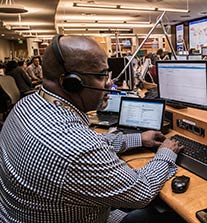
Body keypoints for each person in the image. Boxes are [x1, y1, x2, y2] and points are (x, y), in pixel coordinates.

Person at [0, 35, 182, 223]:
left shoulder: (26, 105)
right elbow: (141, 191)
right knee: (167, 215)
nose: (109, 83)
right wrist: (165, 153)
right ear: (71, 82)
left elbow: (87, 145)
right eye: (101, 75)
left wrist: (138, 139)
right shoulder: (78, 147)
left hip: (32, 214)